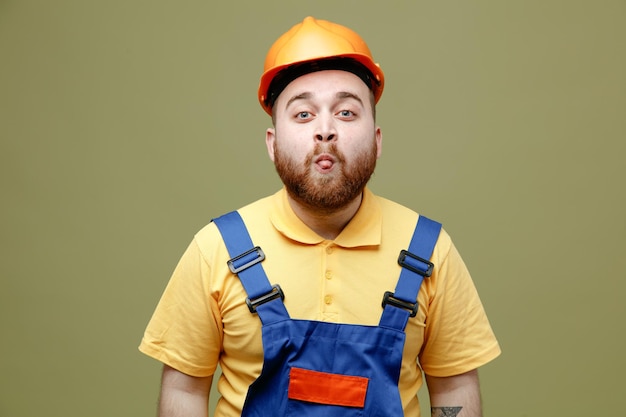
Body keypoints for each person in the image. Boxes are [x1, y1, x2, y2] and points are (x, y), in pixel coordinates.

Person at [139, 16, 500, 417]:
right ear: (272, 144)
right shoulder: (215, 249)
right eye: (304, 114)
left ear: (377, 140)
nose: (325, 130)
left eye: (346, 113)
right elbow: (185, 392)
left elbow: (453, 388)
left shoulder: (430, 251)